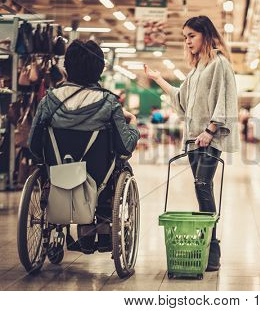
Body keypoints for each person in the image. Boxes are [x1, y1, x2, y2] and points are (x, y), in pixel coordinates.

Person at [144, 15, 239, 271]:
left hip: (209, 138)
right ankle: (208, 246)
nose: (187, 42)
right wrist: (157, 78)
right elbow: (181, 99)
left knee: (203, 186)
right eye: (185, 37)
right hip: (194, 139)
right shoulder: (198, 69)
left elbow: (226, 99)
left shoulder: (220, 64)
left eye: (191, 36)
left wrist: (210, 130)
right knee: (201, 189)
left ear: (206, 36)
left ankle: (212, 251)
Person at [28, 39, 140, 253]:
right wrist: (133, 124)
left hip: (58, 175)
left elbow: (34, 145)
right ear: (100, 69)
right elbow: (125, 146)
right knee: (118, 169)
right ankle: (101, 230)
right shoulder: (109, 103)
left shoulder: (49, 100)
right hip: (98, 182)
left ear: (66, 68)